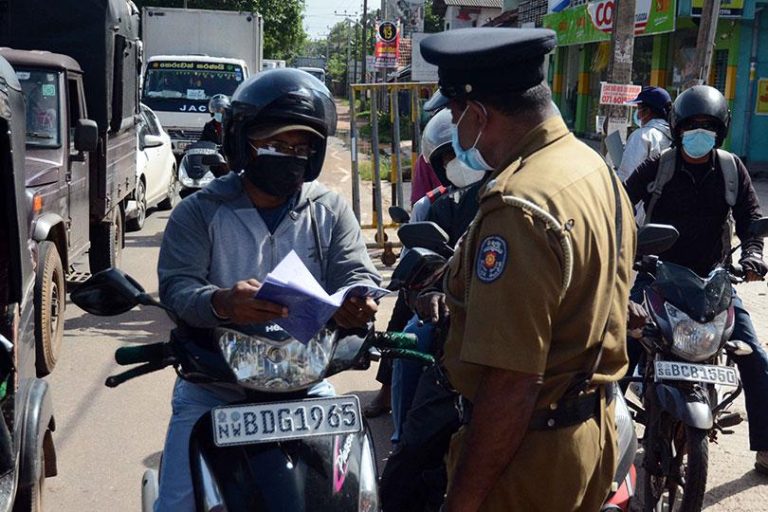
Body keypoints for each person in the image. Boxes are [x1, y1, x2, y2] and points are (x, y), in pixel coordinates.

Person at [419, 27, 637, 511]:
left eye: (454, 115)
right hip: (592, 431)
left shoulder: (519, 206)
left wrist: (462, 502)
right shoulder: (592, 167)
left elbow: (511, 383)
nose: (454, 130)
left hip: (527, 457)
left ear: (478, 115)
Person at [154, 68, 380, 511]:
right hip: (215, 389)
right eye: (275, 145)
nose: (289, 157)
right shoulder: (200, 212)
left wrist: (358, 301)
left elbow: (357, 273)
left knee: (356, 499)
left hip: (308, 387)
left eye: (301, 148)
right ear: (243, 143)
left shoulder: (329, 210)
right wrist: (222, 303)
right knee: (179, 504)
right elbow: (178, 288)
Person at [624, 84, 768, 474]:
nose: (699, 132)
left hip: (713, 281)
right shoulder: (658, 166)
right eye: (692, 125)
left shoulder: (731, 169)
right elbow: (618, 204)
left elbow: (751, 220)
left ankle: (766, 447)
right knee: (620, 348)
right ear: (678, 127)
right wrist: (623, 246)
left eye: (708, 125)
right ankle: (603, 438)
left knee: (755, 356)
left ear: (720, 131)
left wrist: (753, 255)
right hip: (656, 275)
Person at [365, 105, 458, 418]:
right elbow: (411, 260)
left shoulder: (503, 197)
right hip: (436, 287)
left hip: (487, 296)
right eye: (450, 157)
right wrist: (419, 287)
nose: (459, 163)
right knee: (406, 329)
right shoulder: (430, 204)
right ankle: (393, 404)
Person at [618, 86, 673, 182]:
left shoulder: (641, 136)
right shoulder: (673, 134)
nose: (638, 114)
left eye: (638, 108)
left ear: (647, 111)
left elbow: (627, 175)